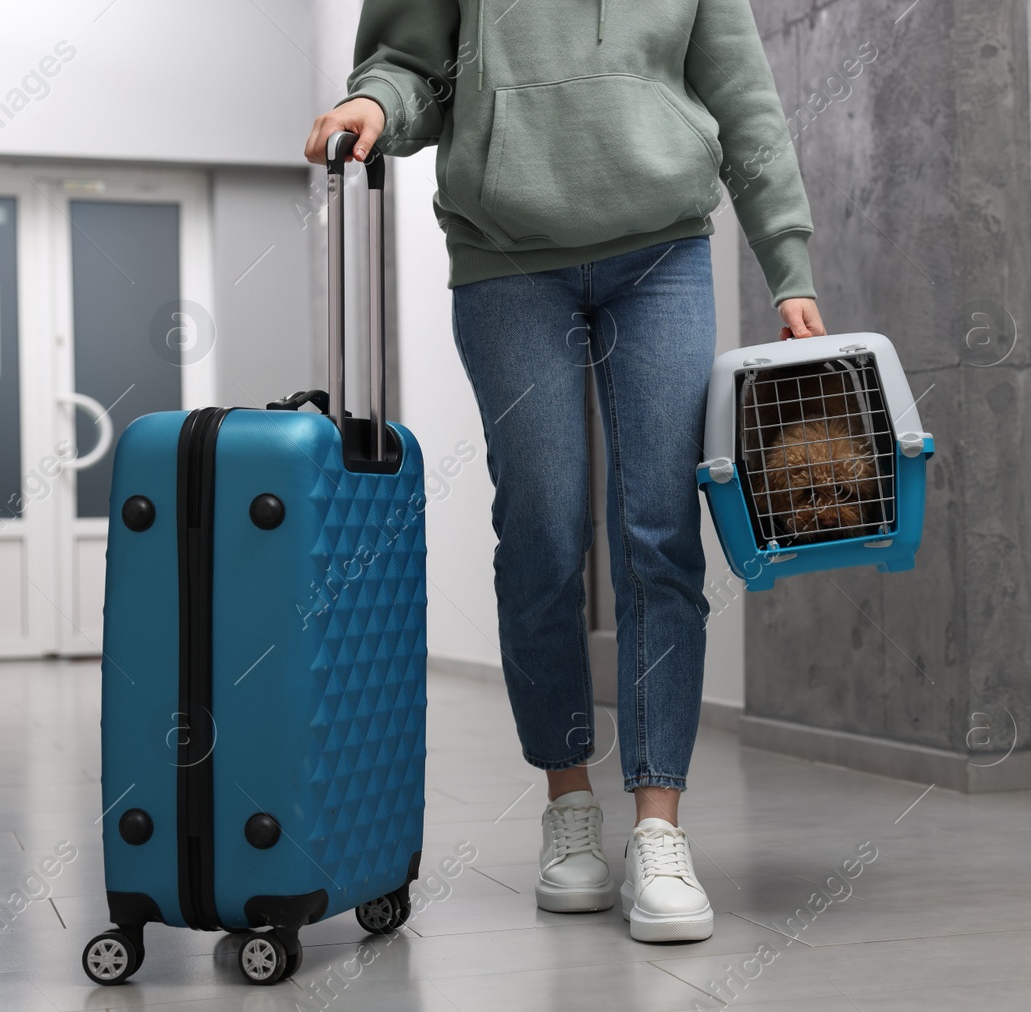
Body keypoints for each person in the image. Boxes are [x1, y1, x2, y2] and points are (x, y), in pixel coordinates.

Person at [304, 0, 824, 943]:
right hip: (507, 262)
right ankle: (568, 802)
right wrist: (376, 103)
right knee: (541, 531)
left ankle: (659, 827)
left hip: (662, 248)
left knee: (659, 531)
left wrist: (789, 265)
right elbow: (413, 64)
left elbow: (744, 97)